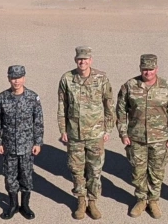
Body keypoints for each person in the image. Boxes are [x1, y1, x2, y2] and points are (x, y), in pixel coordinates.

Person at [116, 54, 168, 219]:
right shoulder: (129, 86)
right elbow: (121, 112)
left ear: (156, 69)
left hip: (160, 139)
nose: (148, 73)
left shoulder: (167, 87)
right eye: (145, 69)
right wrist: (123, 133)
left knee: (157, 172)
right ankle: (141, 199)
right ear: (140, 69)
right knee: (138, 171)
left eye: (151, 69)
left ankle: (153, 200)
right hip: (136, 138)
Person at [57, 46, 114, 220]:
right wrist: (63, 130)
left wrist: (108, 129)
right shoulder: (67, 78)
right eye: (80, 59)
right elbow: (62, 106)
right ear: (76, 60)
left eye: (86, 59)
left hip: (96, 134)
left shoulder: (101, 78)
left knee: (95, 170)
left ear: (91, 60)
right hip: (75, 133)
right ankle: (81, 201)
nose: (82, 62)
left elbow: (109, 104)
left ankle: (93, 201)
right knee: (76, 169)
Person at [0, 65, 44, 220]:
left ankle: (25, 205)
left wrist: (38, 142)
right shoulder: (2, 97)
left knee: (27, 176)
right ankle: (13, 205)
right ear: (9, 79)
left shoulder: (32, 97)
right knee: (10, 177)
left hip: (27, 146)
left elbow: (38, 121)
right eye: (13, 78)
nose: (16, 81)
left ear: (24, 78)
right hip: (9, 145)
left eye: (19, 78)